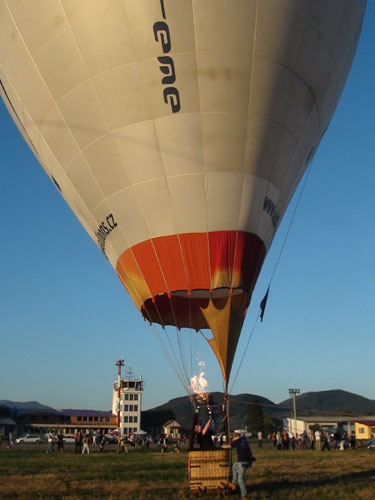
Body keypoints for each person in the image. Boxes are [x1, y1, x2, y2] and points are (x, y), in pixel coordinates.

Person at [224, 431, 255, 499]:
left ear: (234, 437)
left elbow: (229, 446)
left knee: (240, 479)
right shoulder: (243, 440)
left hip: (242, 462)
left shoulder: (236, 441)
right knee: (234, 466)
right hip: (248, 461)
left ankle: (244, 495)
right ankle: (234, 483)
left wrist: (222, 447)